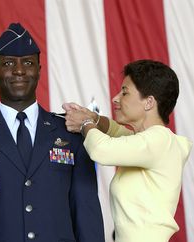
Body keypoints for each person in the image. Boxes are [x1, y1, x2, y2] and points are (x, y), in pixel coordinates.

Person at [0, 23, 105, 242]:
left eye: (28, 63)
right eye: (8, 63)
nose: (19, 70)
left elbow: (87, 216)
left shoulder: (70, 133)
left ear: (39, 69)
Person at [62, 59, 192, 242]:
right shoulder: (149, 142)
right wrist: (92, 117)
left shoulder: (160, 140)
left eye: (125, 92)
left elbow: (102, 149)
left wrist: (84, 123)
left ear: (149, 103)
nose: (115, 98)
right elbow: (115, 131)